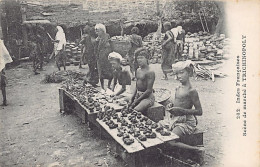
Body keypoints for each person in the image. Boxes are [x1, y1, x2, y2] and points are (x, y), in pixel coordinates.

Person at [159, 60, 204, 160]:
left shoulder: (192, 91)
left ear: (189, 72)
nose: (179, 76)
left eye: (181, 72)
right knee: (158, 128)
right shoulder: (178, 87)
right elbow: (178, 102)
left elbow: (199, 111)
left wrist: (181, 110)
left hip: (186, 121)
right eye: (177, 73)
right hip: (175, 118)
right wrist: (172, 105)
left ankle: (196, 150)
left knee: (170, 141)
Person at [129, 48, 155, 114]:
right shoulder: (138, 70)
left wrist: (136, 101)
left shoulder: (150, 72)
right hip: (138, 95)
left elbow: (149, 90)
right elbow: (137, 85)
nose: (139, 60)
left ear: (147, 59)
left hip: (147, 98)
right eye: (138, 58)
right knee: (123, 102)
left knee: (135, 110)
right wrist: (132, 97)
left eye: (141, 58)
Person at [94, 24, 113, 91]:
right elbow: (95, 49)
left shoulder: (107, 36)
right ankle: (102, 86)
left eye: (98, 31)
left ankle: (108, 85)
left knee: (110, 72)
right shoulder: (97, 39)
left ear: (102, 31)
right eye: (96, 31)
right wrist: (96, 42)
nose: (97, 33)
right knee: (101, 73)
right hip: (100, 58)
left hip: (107, 57)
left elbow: (111, 46)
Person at [0, 39, 13, 106]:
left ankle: (5, 100)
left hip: (1, 65)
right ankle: (4, 100)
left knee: (2, 83)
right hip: (1, 65)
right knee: (2, 84)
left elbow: (5, 52)